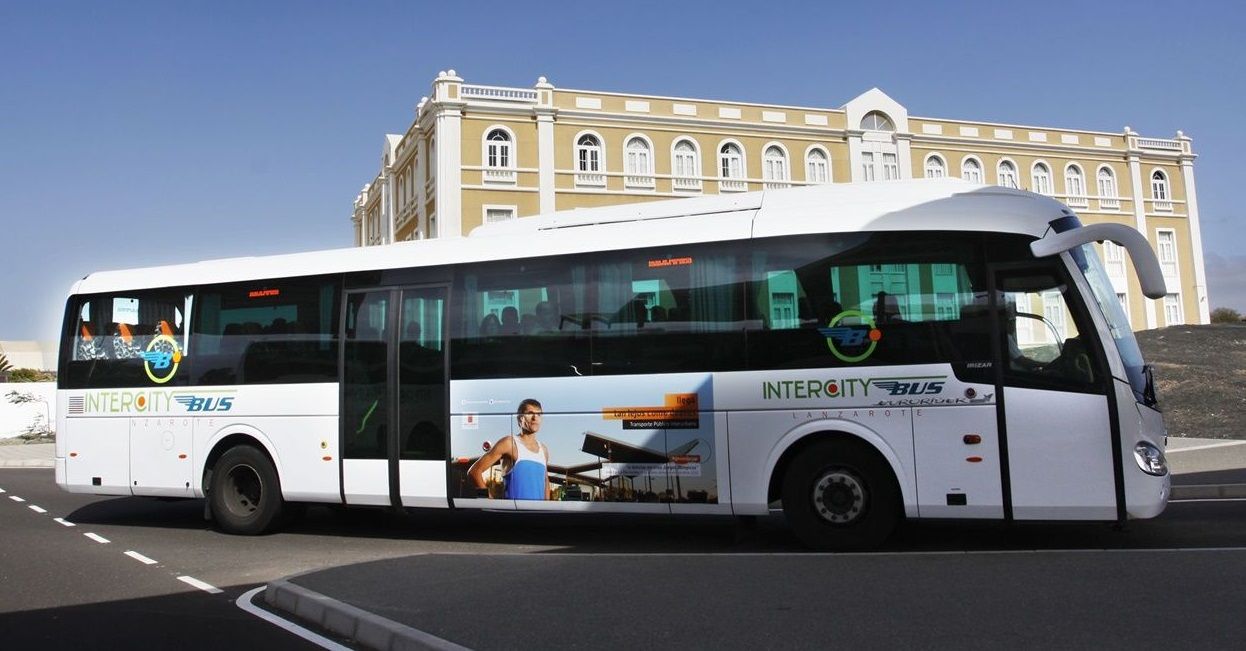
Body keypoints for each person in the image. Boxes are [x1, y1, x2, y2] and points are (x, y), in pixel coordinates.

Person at [466, 398, 550, 500]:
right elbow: (474, 471)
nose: (535, 418)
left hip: (538, 514)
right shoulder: (509, 443)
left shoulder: (543, 450)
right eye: (530, 413)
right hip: (512, 514)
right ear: (520, 418)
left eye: (538, 414)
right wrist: (489, 501)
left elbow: (545, 481)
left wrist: (546, 508)